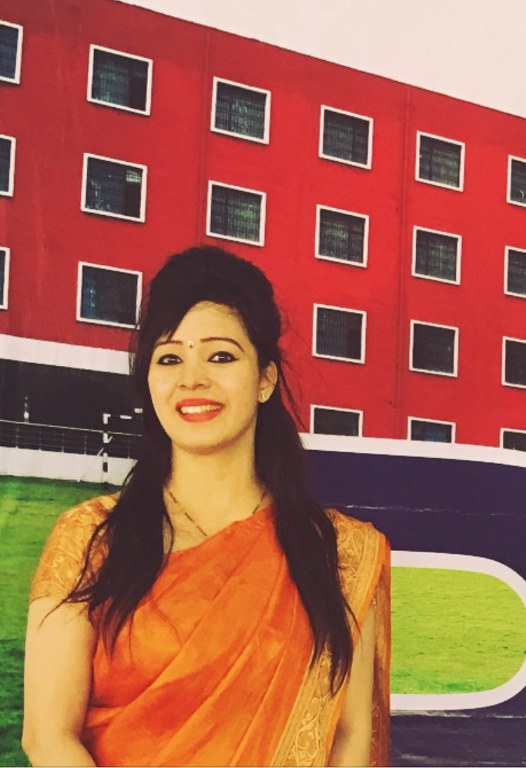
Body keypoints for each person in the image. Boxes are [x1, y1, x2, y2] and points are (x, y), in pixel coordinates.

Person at [23, 245, 390, 767]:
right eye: (169, 358)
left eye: (221, 356)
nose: (192, 378)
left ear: (265, 378)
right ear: (149, 381)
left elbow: (350, 738)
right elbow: (47, 737)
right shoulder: (89, 539)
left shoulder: (339, 553)